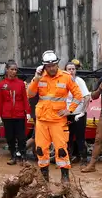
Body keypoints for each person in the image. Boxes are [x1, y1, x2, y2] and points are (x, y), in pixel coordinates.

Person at [28, 49, 82, 183]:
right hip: (42, 120)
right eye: (49, 66)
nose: (51, 68)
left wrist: (70, 110)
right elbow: (30, 94)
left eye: (54, 65)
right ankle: (44, 179)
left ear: (57, 64)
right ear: (44, 66)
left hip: (58, 120)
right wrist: (36, 78)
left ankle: (65, 179)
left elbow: (78, 95)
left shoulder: (66, 76)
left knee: (61, 150)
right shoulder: (39, 77)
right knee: (40, 150)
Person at [0, 62, 30, 165]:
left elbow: (25, 99)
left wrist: (27, 112)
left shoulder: (20, 83)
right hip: (7, 114)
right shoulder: (2, 84)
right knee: (10, 136)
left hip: (19, 114)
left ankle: (23, 157)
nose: (14, 71)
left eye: (15, 70)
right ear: (7, 70)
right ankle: (13, 155)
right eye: (12, 69)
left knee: (21, 136)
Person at [65, 61, 90, 164]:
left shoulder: (79, 81)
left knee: (80, 137)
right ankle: (67, 159)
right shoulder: (62, 81)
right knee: (67, 138)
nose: (71, 71)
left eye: (73, 69)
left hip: (78, 114)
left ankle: (83, 159)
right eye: (69, 69)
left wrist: (83, 112)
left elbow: (87, 97)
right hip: (66, 114)